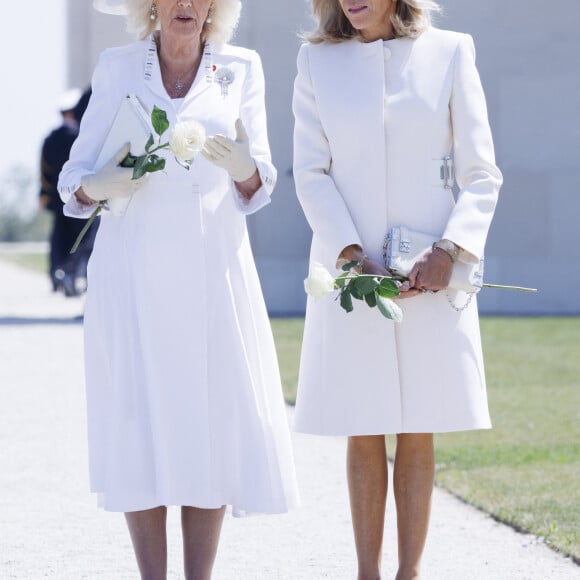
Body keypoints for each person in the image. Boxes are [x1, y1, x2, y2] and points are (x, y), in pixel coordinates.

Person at [58, 0, 298, 578]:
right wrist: (97, 184)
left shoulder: (241, 67)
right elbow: (72, 180)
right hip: (133, 275)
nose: (187, 5)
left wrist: (244, 167)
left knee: (208, 427)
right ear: (151, 5)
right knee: (138, 422)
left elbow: (260, 179)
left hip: (211, 273)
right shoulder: (117, 67)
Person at [292, 1, 502, 578]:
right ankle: (367, 573)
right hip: (352, 273)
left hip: (430, 273)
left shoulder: (450, 51)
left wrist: (451, 250)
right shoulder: (316, 62)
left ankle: (409, 574)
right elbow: (310, 173)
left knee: (419, 422)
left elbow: (481, 172)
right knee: (363, 420)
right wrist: (349, 254)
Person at [39, 88, 96, 296]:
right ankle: (71, 272)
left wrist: (44, 195)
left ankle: (58, 272)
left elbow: (44, 170)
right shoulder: (80, 138)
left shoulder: (50, 138)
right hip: (81, 196)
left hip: (56, 199)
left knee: (59, 238)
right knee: (84, 239)